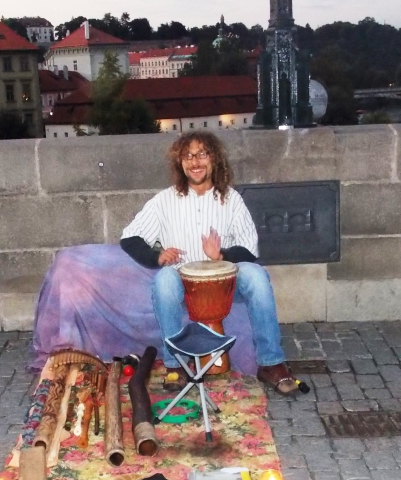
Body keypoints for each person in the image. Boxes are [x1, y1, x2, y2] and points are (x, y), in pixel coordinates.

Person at [120, 131, 303, 397]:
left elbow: (249, 248)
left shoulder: (230, 199)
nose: (195, 162)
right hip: (183, 279)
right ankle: (176, 365)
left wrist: (221, 255)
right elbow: (130, 236)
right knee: (163, 280)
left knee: (256, 276)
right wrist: (156, 257)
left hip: (224, 281)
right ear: (180, 163)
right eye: (188, 156)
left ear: (214, 159)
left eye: (202, 154)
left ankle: (270, 362)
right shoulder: (164, 200)